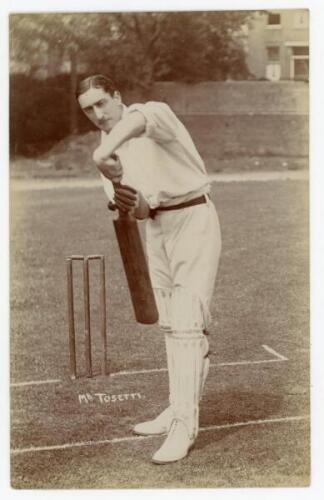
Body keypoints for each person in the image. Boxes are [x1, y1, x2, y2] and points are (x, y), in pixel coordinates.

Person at [77, 74, 221, 464]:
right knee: (172, 325)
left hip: (193, 218)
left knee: (188, 323)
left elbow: (138, 120)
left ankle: (184, 428)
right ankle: (177, 407)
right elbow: (139, 211)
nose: (98, 113)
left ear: (117, 96)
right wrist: (125, 190)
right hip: (157, 229)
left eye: (102, 102)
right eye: (88, 109)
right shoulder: (107, 158)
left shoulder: (154, 115)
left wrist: (104, 153)